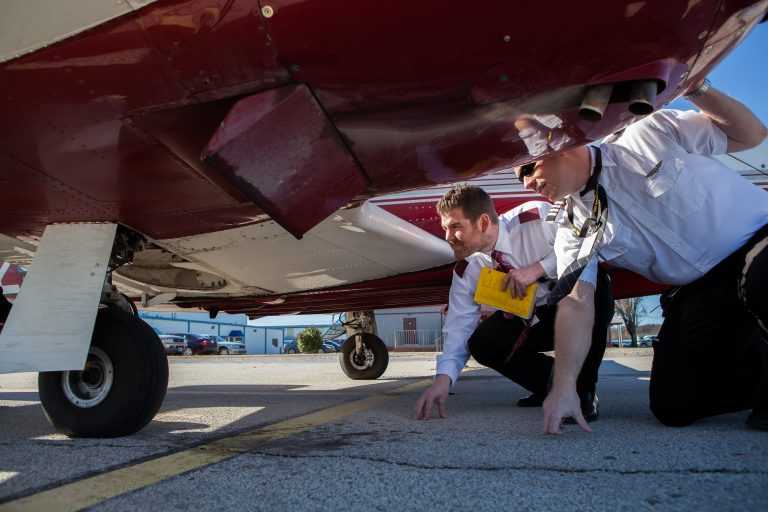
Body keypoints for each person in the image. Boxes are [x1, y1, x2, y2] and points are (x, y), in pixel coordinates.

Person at [514, 78, 768, 434]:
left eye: (529, 167)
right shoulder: (574, 228)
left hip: (758, 244)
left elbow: (752, 134)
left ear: (564, 144)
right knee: (673, 406)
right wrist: (564, 385)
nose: (526, 183)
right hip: (702, 288)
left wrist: (694, 87)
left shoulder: (649, 131)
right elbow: (577, 301)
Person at [414, 184, 614, 422]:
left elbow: (585, 241)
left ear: (484, 223)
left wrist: (537, 269)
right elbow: (458, 327)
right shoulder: (467, 269)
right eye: (445, 228)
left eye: (455, 227)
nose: (447, 237)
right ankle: (549, 385)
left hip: (574, 306)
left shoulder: (536, 218)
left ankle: (583, 389)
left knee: (596, 285)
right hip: (533, 319)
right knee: (482, 343)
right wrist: (442, 380)